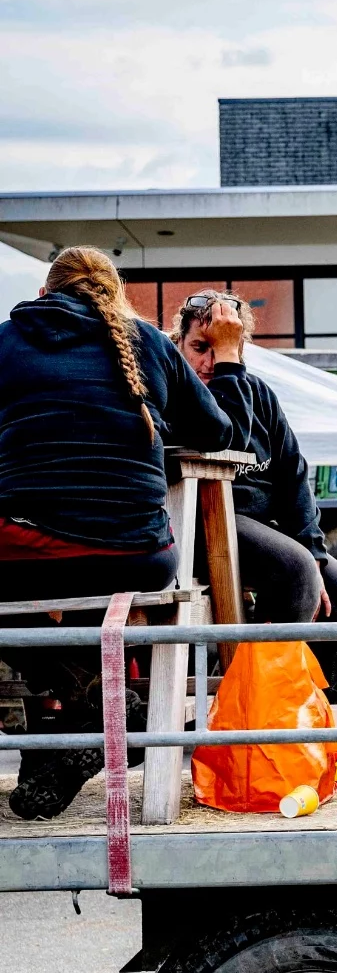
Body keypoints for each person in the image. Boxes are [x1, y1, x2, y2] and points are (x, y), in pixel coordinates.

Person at [0, 248, 240, 820]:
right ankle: (77, 727)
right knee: (77, 577)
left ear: (44, 294)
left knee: (27, 579)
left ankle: (89, 704)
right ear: (115, 296)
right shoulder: (153, 344)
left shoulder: (7, 341)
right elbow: (218, 429)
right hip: (141, 553)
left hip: (31, 550)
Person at [169, 292, 337, 701]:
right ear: (177, 344)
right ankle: (263, 711)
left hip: (257, 531)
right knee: (296, 571)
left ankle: (317, 713)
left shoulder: (258, 394)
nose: (210, 362)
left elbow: (293, 477)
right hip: (194, 524)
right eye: (200, 347)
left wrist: (316, 553)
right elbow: (223, 435)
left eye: (223, 349)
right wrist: (228, 368)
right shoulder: (174, 389)